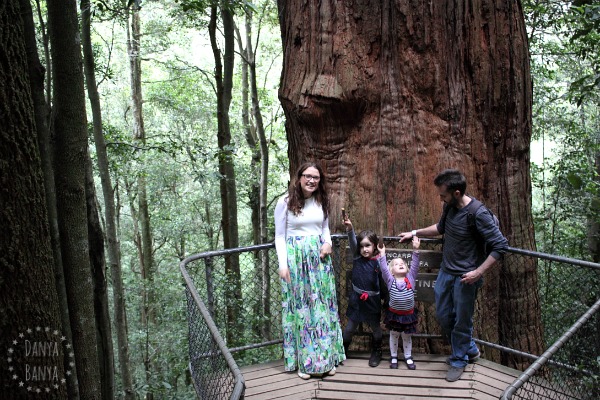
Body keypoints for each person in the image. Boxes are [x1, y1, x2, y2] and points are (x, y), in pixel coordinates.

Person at [399, 169, 508, 382]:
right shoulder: (449, 207)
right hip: (446, 272)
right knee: (443, 315)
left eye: (443, 195)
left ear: (456, 193)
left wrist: (478, 272)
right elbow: (440, 228)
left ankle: (459, 359)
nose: (440, 198)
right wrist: (414, 233)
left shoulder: (478, 213)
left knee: (462, 321)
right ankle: (470, 348)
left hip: (466, 277)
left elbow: (500, 246)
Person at [274, 162, 346, 380]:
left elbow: (325, 229)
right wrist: (283, 264)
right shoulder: (284, 203)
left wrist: (328, 243)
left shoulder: (321, 201)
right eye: (308, 176)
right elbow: (279, 236)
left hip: (319, 262)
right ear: (299, 177)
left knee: (322, 309)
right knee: (303, 311)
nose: (312, 180)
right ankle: (305, 363)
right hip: (296, 262)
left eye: (316, 177)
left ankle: (327, 358)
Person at [341, 214, 384, 367]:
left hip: (372, 301)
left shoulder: (379, 262)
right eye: (362, 246)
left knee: (375, 327)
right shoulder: (357, 258)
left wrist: (383, 256)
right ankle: (343, 349)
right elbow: (352, 243)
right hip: (357, 300)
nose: (364, 249)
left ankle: (377, 350)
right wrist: (350, 229)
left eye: (368, 245)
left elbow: (385, 277)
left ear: (374, 246)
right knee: (349, 328)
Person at [379, 236, 421, 370]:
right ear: (392, 271)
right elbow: (384, 269)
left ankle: (408, 356)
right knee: (394, 335)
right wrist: (382, 254)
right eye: (396, 264)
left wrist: (416, 250)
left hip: (408, 315)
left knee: (407, 336)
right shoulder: (390, 280)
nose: (401, 264)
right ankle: (394, 356)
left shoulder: (410, 278)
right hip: (394, 315)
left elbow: (415, 265)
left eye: (402, 263)